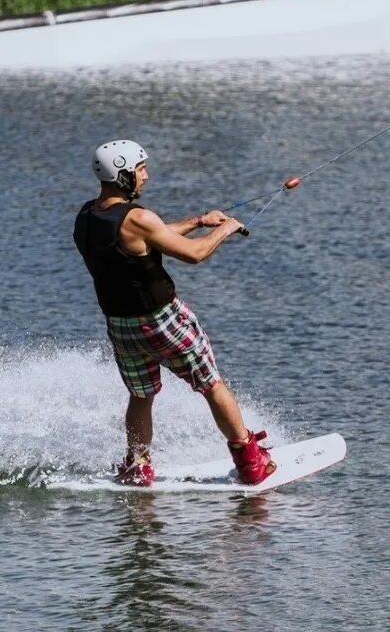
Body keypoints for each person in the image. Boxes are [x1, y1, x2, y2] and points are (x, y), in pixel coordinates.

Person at [73, 139, 276, 487]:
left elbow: (150, 237)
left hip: (121, 327)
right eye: (140, 170)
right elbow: (193, 255)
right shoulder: (138, 218)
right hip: (163, 321)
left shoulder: (87, 216)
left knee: (141, 395)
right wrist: (224, 229)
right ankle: (250, 463)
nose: (146, 177)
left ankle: (138, 466)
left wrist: (199, 220)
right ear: (121, 173)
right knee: (212, 384)